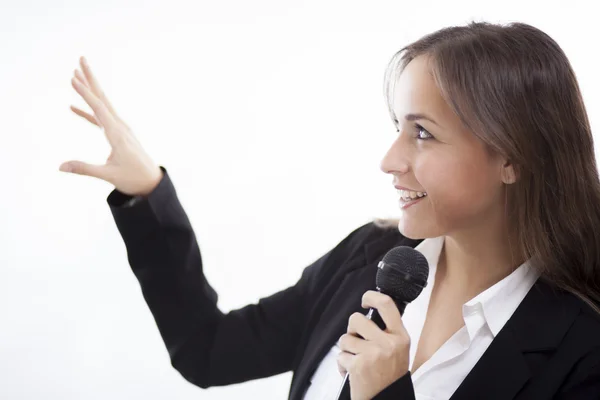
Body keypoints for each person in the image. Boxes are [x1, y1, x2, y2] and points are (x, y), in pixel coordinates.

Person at [60, 21, 600, 400]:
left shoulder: (581, 351)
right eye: (397, 128)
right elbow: (208, 350)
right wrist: (148, 193)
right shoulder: (371, 255)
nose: (390, 160)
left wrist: (386, 392)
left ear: (513, 157)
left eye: (423, 134)